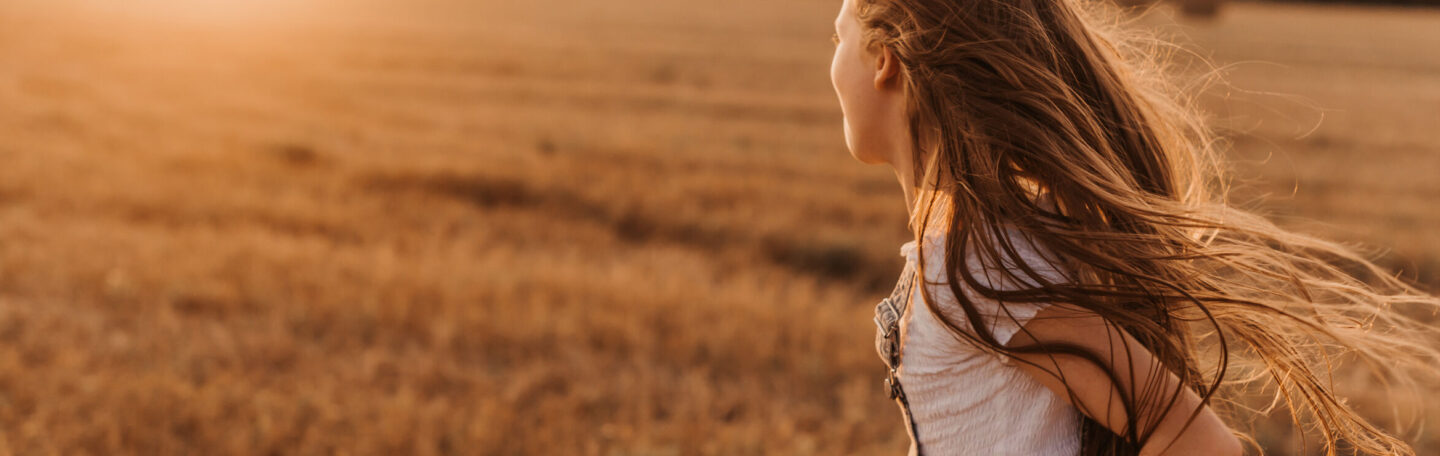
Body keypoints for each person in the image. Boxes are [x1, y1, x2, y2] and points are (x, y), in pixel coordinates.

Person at [827, 0, 1440, 454]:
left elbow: (1186, 434)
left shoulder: (982, 264)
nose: (829, 61)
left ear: (885, 61)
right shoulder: (960, 251)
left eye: (837, 36)